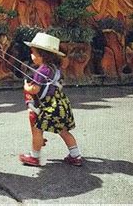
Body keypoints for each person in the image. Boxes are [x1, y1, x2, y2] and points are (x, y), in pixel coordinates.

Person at [19, 32, 82, 167]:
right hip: (59, 105)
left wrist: (26, 87)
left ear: (42, 55)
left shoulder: (41, 72)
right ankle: (75, 155)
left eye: (33, 53)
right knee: (64, 131)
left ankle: (34, 157)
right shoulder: (54, 69)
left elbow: (34, 90)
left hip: (46, 107)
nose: (31, 55)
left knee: (37, 130)